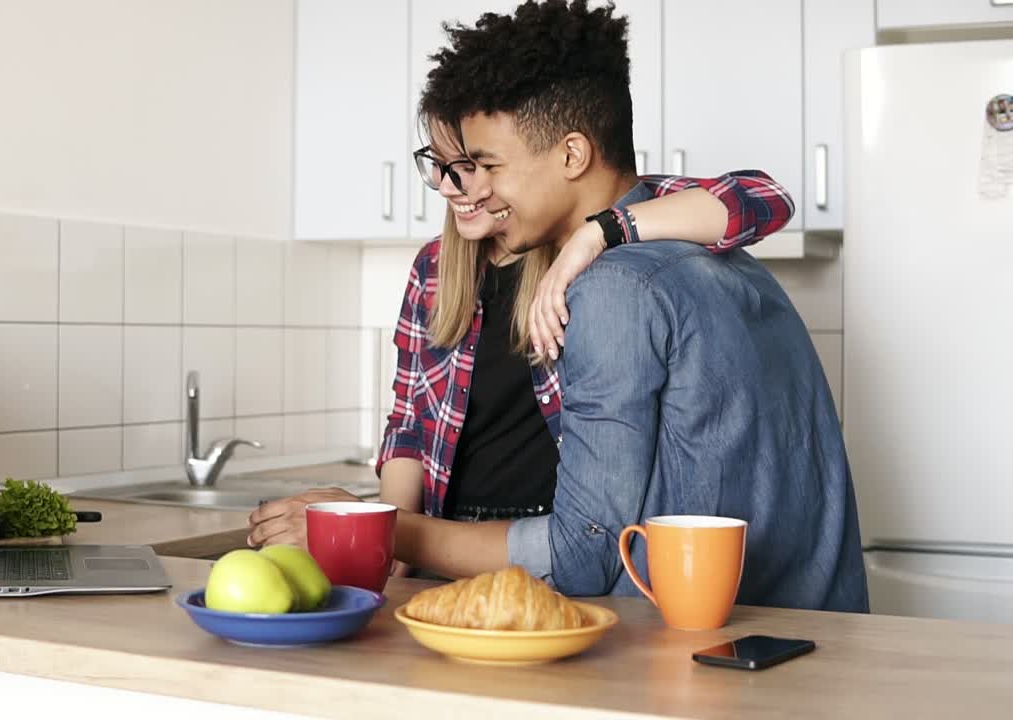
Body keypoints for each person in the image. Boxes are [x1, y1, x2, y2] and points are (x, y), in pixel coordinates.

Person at [255, 0, 868, 613]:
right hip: (792, 632)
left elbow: (582, 552)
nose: (464, 186)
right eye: (451, 166)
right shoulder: (728, 264)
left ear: (572, 155)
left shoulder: (618, 280)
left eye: (483, 164)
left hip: (647, 621)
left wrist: (375, 527)